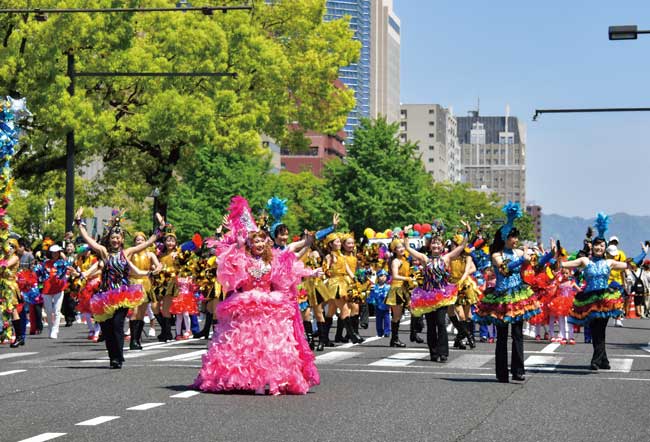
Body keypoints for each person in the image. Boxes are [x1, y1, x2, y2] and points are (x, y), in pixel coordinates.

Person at [193, 196, 320, 395]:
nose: (259, 244)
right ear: (250, 244)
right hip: (246, 306)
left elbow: (291, 264)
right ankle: (241, 379)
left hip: (269, 307)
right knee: (244, 345)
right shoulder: (243, 259)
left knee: (269, 346)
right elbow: (227, 259)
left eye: (262, 240)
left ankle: (266, 381)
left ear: (266, 243)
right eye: (256, 241)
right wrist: (234, 238)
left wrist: (310, 268)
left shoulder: (275, 260)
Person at [75, 207, 164, 369]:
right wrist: (79, 222)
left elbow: (149, 242)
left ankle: (119, 357)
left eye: (118, 238)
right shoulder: (104, 252)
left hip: (122, 294)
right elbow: (88, 239)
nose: (115, 240)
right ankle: (112, 356)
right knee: (107, 329)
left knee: (117, 324)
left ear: (122, 239)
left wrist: (160, 228)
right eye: (113, 238)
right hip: (105, 295)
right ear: (109, 239)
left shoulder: (127, 252)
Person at [474, 203, 541, 382]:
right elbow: (505, 270)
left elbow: (535, 264)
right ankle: (502, 372)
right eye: (513, 237)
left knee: (518, 334)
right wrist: (521, 260)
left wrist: (551, 256)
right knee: (502, 336)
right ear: (505, 237)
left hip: (518, 296)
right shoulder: (496, 254)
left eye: (517, 237)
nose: (516, 240)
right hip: (502, 298)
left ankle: (518, 370)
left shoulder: (519, 251)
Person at [404, 220, 471, 363]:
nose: (435, 245)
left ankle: (443, 352)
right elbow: (408, 248)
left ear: (442, 246)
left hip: (441, 296)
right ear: (430, 245)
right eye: (433, 243)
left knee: (441, 323)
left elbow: (462, 247)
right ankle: (433, 352)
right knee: (431, 325)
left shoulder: (446, 258)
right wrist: (406, 234)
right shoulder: (424, 258)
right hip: (427, 296)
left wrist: (467, 232)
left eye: (438, 243)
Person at [128, 232, 162, 349]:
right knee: (134, 312)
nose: (140, 242)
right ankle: (133, 340)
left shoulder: (150, 254)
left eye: (142, 240)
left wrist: (156, 269)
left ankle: (137, 340)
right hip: (134, 283)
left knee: (142, 313)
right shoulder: (131, 253)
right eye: (137, 240)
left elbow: (159, 265)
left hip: (146, 283)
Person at [367, 269, 391, 337]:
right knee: (378, 320)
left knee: (387, 320)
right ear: (377, 277)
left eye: (384, 276)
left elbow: (391, 296)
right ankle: (379, 332)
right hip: (377, 306)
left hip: (386, 306)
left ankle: (387, 332)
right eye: (381, 276)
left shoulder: (388, 287)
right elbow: (371, 296)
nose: (383, 277)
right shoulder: (374, 287)